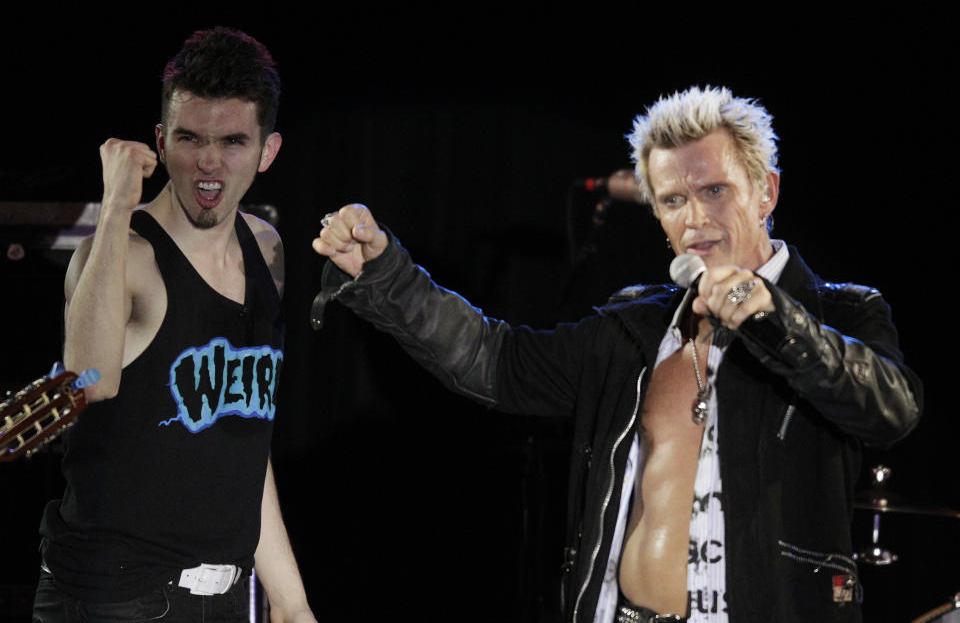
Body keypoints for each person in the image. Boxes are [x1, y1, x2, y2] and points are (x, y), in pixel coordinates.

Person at [311, 85, 922, 623]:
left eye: (715, 190)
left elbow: (889, 409)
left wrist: (769, 317)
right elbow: (494, 360)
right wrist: (384, 273)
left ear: (766, 191)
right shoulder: (633, 329)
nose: (696, 218)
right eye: (674, 200)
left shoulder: (839, 312)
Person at [33, 28, 316, 623]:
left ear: (268, 151)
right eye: (190, 138)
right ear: (161, 141)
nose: (208, 162)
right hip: (114, 599)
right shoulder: (122, 255)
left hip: (227, 596)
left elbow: (242, 438)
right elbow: (88, 378)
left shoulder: (266, 251)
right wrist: (113, 205)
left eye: (233, 142)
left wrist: (291, 602)